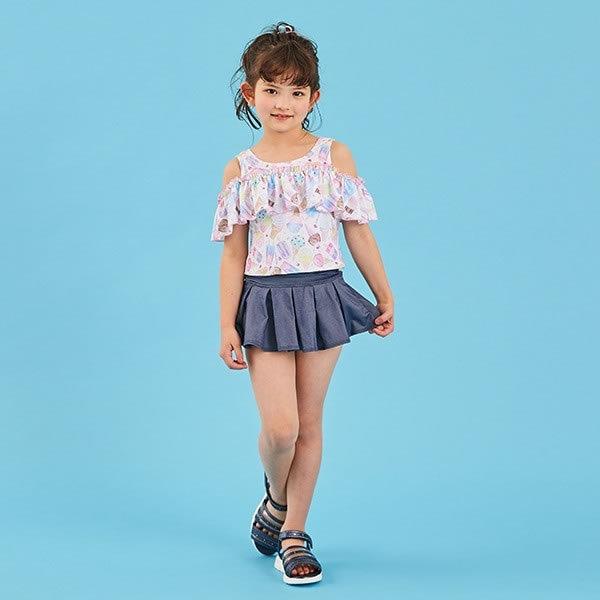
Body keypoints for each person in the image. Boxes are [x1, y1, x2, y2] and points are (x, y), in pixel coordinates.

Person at [210, 21, 394, 585]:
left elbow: (358, 230)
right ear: (250, 93)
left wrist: (383, 294)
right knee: (281, 429)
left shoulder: (333, 156)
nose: (283, 102)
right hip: (265, 301)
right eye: (271, 89)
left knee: (310, 423)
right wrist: (226, 325)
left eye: (296, 91)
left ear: (314, 97)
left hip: (321, 296)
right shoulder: (241, 169)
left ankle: (294, 533)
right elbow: (233, 254)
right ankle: (276, 496)